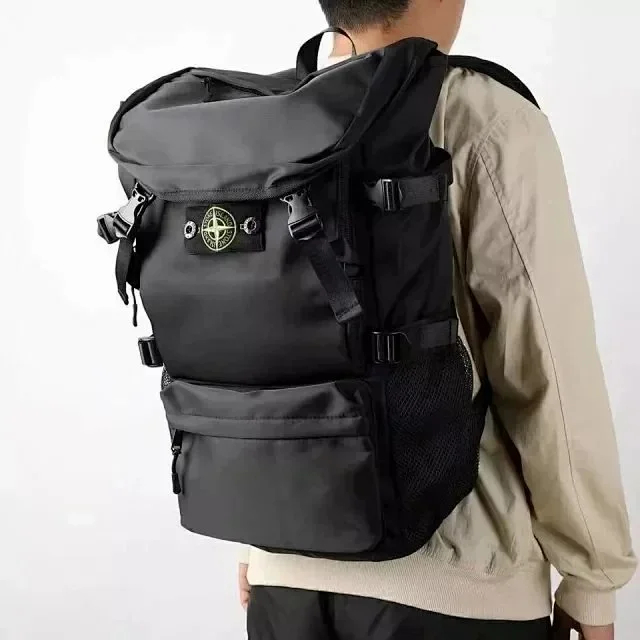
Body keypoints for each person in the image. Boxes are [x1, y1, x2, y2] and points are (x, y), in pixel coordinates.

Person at [238, 1, 637, 638]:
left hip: (283, 573)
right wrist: (592, 579)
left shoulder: (265, 118)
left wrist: (257, 538)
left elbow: (251, 342)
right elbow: (549, 367)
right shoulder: (481, 116)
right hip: (456, 585)